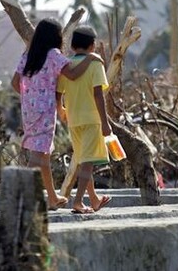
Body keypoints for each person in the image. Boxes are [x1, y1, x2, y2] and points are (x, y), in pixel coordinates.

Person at [11, 18, 102, 211]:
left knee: (43, 154)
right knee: (38, 156)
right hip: (45, 110)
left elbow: (14, 82)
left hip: (29, 109)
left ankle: (52, 197)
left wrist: (30, 95)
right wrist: (90, 58)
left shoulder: (28, 54)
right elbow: (73, 74)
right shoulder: (53, 54)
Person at [56, 26, 112, 214]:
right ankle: (78, 201)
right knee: (87, 162)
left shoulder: (67, 65)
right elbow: (98, 95)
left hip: (73, 120)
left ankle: (94, 199)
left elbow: (58, 93)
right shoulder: (95, 64)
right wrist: (105, 122)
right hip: (91, 119)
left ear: (72, 46)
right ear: (92, 45)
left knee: (83, 160)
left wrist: (61, 110)